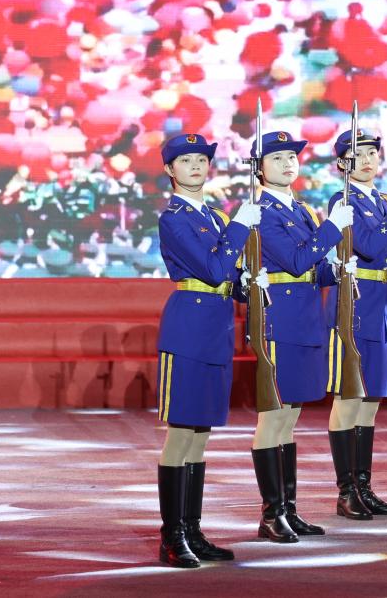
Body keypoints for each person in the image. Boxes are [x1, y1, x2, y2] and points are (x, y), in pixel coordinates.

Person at [155, 133, 264, 568]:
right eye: (186, 161)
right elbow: (214, 268)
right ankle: (171, 536)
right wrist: (240, 226)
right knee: (182, 432)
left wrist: (250, 283)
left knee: (201, 434)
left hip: (217, 324)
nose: (196, 167)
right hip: (189, 325)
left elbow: (229, 278)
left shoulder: (214, 216)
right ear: (170, 170)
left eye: (201, 159)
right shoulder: (174, 218)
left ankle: (192, 530)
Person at [248, 130, 355, 543]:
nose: (287, 164)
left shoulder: (300, 208)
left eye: (291, 157)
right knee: (274, 415)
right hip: (281, 319)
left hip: (307, 316)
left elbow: (314, 269)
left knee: (289, 418)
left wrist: (337, 268)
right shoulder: (262, 210)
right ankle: (271, 513)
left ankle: (288, 509)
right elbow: (294, 261)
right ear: (259, 168)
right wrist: (331, 230)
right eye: (277, 158)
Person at [324, 128, 387, 519]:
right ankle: (346, 491)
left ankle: (363, 486)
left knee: (371, 401)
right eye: (357, 154)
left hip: (384, 303)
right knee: (349, 398)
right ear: (341, 163)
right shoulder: (343, 199)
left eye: (371, 153)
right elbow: (366, 244)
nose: (366, 161)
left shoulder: (383, 201)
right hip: (356, 302)